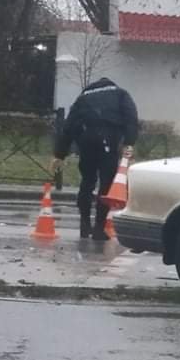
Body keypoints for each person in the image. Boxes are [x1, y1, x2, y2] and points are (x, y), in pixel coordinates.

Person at [50, 77, 139, 240]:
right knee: (106, 184)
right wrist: (129, 143)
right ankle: (99, 227)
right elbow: (131, 119)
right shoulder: (121, 94)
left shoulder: (83, 98)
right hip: (108, 141)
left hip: (86, 141)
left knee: (87, 181)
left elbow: (68, 127)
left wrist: (59, 154)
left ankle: (84, 225)